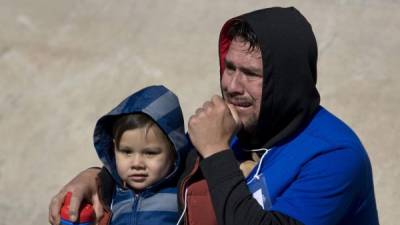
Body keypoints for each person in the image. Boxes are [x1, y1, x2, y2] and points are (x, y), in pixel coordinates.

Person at [49, 7, 379, 225]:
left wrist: (218, 154)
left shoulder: (334, 156)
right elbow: (163, 164)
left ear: (287, 80)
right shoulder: (236, 126)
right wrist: (98, 177)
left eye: (251, 73)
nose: (232, 85)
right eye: (229, 67)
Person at [58, 85, 189, 225]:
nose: (137, 163)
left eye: (150, 153)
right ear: (114, 148)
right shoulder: (110, 196)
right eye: (126, 151)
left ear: (174, 152)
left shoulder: (184, 192)